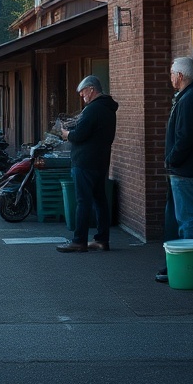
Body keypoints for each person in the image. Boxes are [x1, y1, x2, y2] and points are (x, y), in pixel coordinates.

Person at [156, 56, 193, 283]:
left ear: (180, 76)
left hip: (188, 172)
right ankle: (180, 268)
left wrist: (171, 160)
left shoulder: (190, 99)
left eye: (172, 73)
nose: (170, 77)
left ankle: (192, 273)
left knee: (190, 222)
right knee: (190, 219)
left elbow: (185, 138)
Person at [57, 75, 118, 253]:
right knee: (100, 200)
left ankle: (79, 241)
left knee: (83, 201)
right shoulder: (108, 109)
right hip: (101, 161)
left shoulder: (92, 110)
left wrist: (67, 134)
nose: (82, 96)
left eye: (83, 92)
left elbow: (80, 135)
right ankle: (102, 239)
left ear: (92, 89)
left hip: (85, 162)